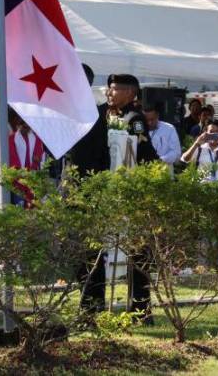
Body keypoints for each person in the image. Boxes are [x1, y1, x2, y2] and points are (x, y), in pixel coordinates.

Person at [104, 73, 159, 324]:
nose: (109, 93)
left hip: (135, 191)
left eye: (114, 89)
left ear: (129, 93)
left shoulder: (134, 118)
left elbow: (141, 148)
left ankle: (141, 308)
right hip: (119, 191)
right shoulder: (115, 116)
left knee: (138, 254)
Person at [65, 63, 110, 315]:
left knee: (90, 249)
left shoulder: (93, 112)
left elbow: (100, 156)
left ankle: (93, 304)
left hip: (87, 188)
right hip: (74, 186)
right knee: (78, 251)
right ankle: (88, 302)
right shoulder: (74, 109)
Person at [8, 114, 45, 207]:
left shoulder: (36, 138)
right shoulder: (12, 139)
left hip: (32, 179)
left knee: (32, 208)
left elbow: (38, 156)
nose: (26, 127)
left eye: (28, 125)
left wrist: (31, 171)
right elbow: (13, 159)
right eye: (23, 124)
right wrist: (22, 173)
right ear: (18, 125)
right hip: (18, 180)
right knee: (19, 209)